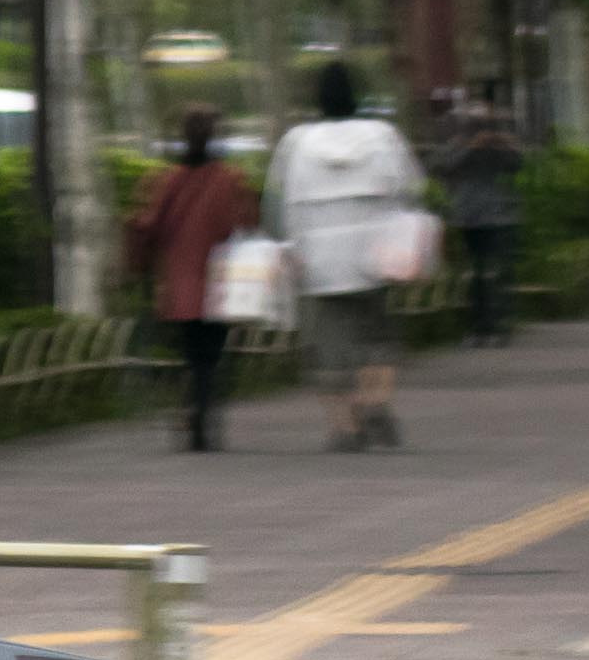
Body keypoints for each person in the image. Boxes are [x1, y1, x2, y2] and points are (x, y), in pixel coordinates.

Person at [268, 61, 420, 452]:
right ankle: (375, 403)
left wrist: (287, 247)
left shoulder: (296, 143)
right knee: (378, 337)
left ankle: (345, 428)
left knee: (328, 348)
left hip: (319, 261)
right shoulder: (383, 135)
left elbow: (280, 203)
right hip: (374, 254)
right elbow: (408, 188)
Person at [124, 107, 262, 452]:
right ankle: (200, 411)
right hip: (221, 282)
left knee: (192, 353)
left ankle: (193, 410)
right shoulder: (230, 180)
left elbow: (146, 225)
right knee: (212, 355)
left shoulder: (167, 181)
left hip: (181, 284)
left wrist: (135, 264)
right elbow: (247, 223)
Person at [430, 101, 527, 346]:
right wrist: (470, 147)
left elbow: (516, 165)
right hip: (469, 216)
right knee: (475, 273)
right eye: (474, 124)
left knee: (496, 273)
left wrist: (504, 145)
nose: (479, 129)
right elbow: (441, 167)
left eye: (483, 124)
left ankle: (498, 327)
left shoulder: (498, 144)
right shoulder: (458, 144)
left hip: (497, 215)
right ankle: (477, 328)